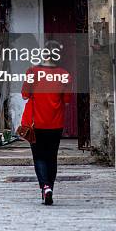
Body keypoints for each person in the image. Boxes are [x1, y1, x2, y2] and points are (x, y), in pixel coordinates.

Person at [20, 51, 72, 206]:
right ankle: (49, 189)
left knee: (39, 157)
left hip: (36, 123)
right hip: (56, 123)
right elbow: (67, 99)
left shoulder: (32, 72)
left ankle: (45, 187)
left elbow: (24, 94)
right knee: (52, 157)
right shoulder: (64, 74)